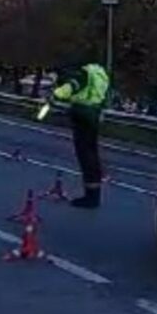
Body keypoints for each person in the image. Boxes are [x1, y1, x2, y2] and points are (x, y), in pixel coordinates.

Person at [52, 63, 110, 209]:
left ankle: (90, 198)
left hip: (82, 113)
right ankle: (94, 196)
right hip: (94, 113)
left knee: (85, 155)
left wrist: (56, 94)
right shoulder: (99, 72)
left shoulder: (83, 73)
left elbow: (72, 86)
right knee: (92, 153)